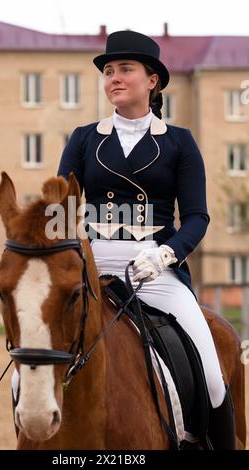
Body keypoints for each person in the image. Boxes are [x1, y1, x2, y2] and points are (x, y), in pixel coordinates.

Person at [57, 30, 235, 449]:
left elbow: (196, 217)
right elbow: (62, 209)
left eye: (125, 70)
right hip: (94, 268)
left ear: (152, 80)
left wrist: (166, 254)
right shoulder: (85, 138)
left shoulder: (178, 142)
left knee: (211, 373)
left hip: (155, 270)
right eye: (109, 71)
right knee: (33, 357)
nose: (114, 78)